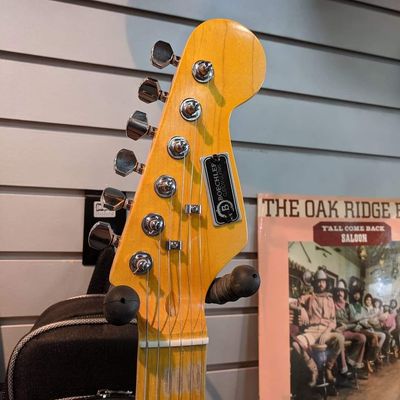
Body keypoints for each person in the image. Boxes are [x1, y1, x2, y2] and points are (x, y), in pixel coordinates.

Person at [294, 267, 346, 384]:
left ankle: (328, 368)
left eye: (323, 281)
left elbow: (333, 321)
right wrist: (301, 309)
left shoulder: (330, 299)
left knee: (340, 338)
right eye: (318, 281)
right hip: (311, 331)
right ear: (315, 283)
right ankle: (314, 369)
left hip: (326, 331)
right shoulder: (309, 297)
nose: (320, 284)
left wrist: (327, 332)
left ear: (326, 283)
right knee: (296, 344)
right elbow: (294, 303)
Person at [333, 280, 366, 374]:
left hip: (347, 330)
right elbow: (331, 320)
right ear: (336, 292)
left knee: (362, 338)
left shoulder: (348, 305)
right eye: (338, 291)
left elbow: (355, 322)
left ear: (345, 293)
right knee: (341, 339)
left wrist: (346, 326)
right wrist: (339, 326)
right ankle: (344, 368)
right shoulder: (332, 304)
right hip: (338, 330)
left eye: (342, 291)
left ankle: (350, 360)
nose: (340, 293)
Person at [348, 289, 382, 373]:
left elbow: (365, 319)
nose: (357, 296)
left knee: (374, 337)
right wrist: (363, 319)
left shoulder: (360, 306)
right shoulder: (350, 305)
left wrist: (367, 323)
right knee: (373, 336)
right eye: (355, 294)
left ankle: (370, 358)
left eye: (358, 294)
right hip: (356, 328)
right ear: (352, 295)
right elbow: (353, 318)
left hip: (363, 327)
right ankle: (369, 360)